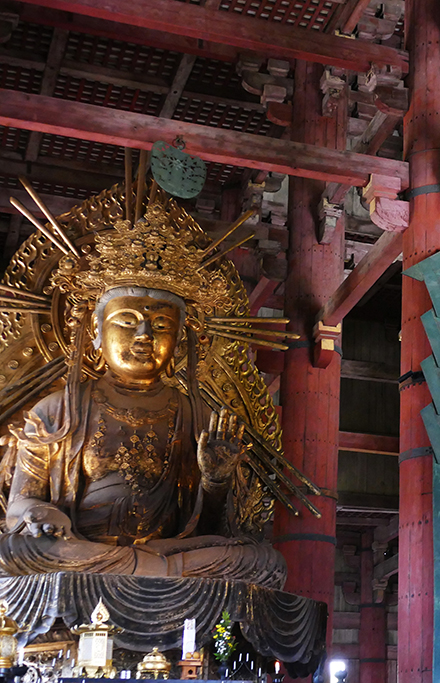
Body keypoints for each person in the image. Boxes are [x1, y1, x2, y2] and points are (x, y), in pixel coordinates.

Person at [0, 204, 285, 588]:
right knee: (18, 551)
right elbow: (19, 503)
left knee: (260, 559)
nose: (144, 336)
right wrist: (40, 513)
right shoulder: (58, 410)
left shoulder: (196, 416)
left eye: (162, 325)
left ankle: (140, 565)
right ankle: (148, 568)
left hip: (166, 550)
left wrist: (215, 481)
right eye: (127, 321)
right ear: (96, 336)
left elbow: (216, 527)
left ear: (182, 343)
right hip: (78, 548)